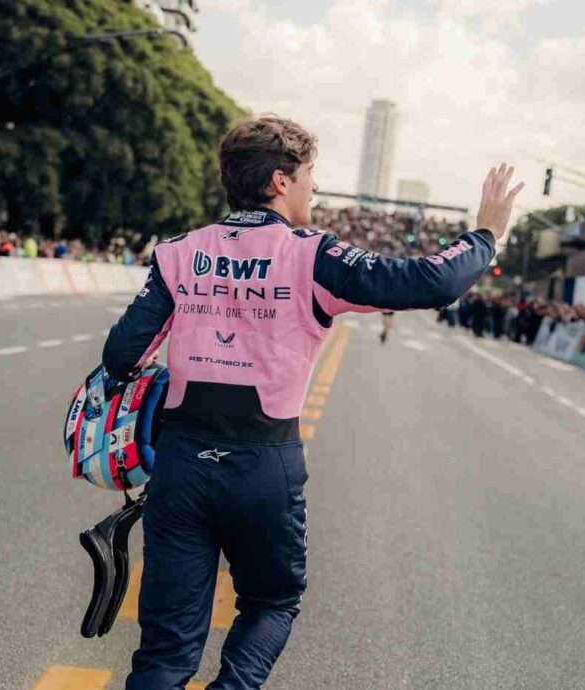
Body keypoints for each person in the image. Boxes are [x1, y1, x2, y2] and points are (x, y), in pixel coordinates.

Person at [101, 115, 521, 690]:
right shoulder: (311, 255)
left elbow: (122, 354)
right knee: (272, 603)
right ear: (280, 180)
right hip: (262, 467)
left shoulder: (178, 252)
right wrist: (486, 235)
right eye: (309, 174)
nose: (315, 187)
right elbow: (431, 283)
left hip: (181, 466)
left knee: (163, 655)